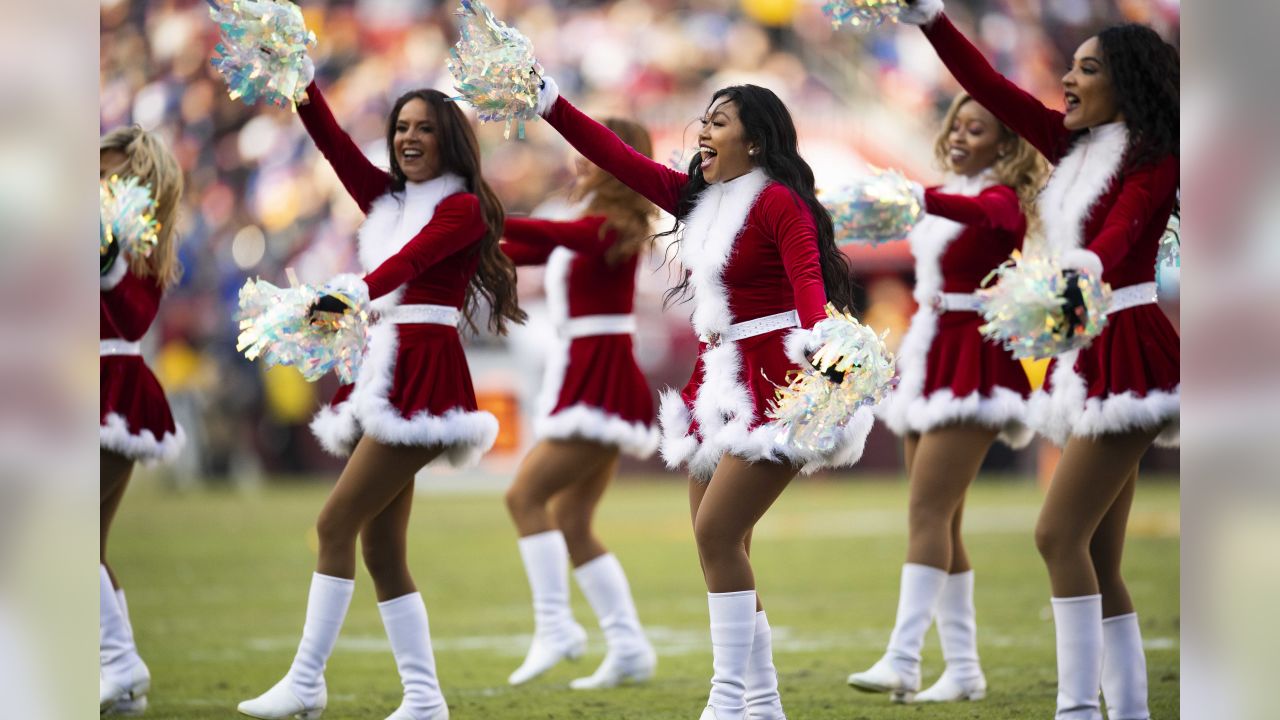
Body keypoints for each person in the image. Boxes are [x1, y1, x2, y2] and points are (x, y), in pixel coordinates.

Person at [531, 76, 868, 720]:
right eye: (703, 120)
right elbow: (615, 157)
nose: (702, 132)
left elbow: (806, 283)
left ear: (756, 138)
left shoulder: (779, 203)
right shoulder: (699, 198)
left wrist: (825, 355)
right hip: (718, 379)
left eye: (718, 121)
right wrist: (548, 100)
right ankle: (763, 703)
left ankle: (726, 701)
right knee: (721, 544)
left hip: (779, 379)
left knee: (718, 532)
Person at [901, 3, 1179, 718]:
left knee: (1056, 533)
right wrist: (930, 20)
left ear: (1128, 84)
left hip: (1130, 346)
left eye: (1088, 69)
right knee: (1101, 559)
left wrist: (1081, 270)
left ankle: (1077, 710)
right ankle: (1128, 710)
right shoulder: (1068, 144)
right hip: (1088, 348)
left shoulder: (1154, 156)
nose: (1068, 78)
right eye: (1071, 64)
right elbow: (990, 87)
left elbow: (1121, 231)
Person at [237, 77, 524, 720]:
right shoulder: (388, 199)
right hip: (382, 369)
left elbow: (411, 265)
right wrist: (299, 79)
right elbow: (336, 148)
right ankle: (424, 699)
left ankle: (307, 681)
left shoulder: (462, 209)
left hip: (422, 373)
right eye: (401, 128)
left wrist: (346, 296)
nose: (409, 139)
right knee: (380, 548)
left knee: (334, 524)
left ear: (448, 138)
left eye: (424, 127)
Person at [848, 92, 1048, 704]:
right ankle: (963, 669)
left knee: (927, 513)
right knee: (943, 518)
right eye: (956, 125)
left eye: (978, 128)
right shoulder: (950, 189)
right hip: (931, 352)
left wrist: (911, 195)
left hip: (975, 355)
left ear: (1005, 144)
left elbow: (992, 219)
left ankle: (903, 658)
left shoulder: (1004, 199)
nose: (961, 135)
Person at [499, 118, 661, 689]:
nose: (580, 162)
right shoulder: (589, 223)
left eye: (595, 154)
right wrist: (458, 243)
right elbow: (518, 249)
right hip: (584, 370)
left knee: (523, 496)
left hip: (600, 375)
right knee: (570, 518)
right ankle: (629, 647)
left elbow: (543, 238)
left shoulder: (615, 226)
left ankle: (556, 627)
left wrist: (472, 217)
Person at [99, 125, 186, 715]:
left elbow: (128, 323)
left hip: (108, 389)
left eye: (102, 169)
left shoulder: (133, 237)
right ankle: (120, 681)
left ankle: (121, 662)